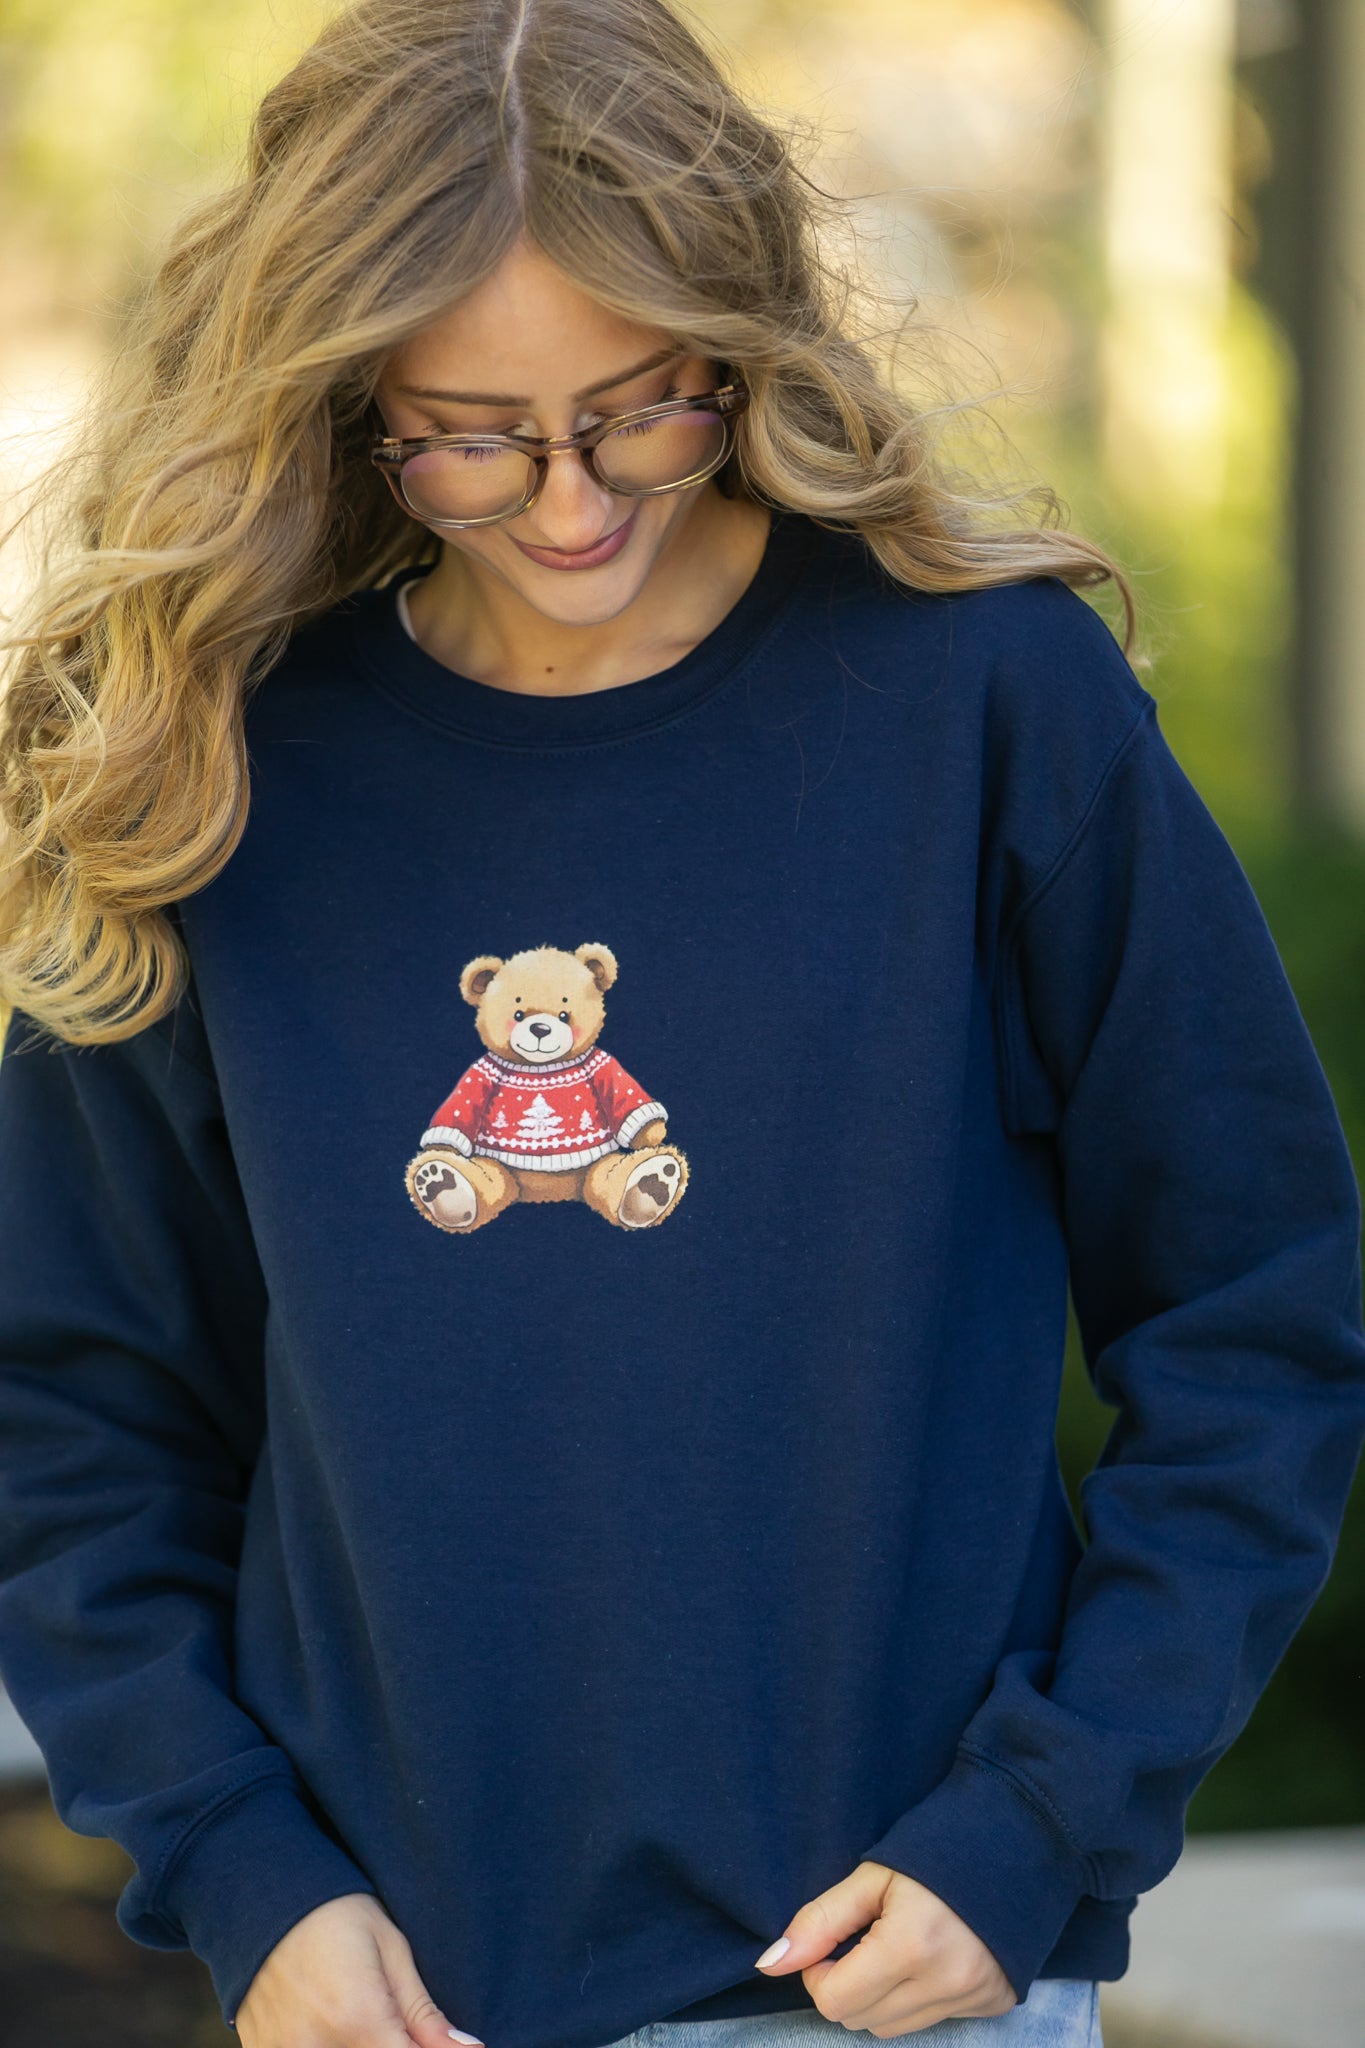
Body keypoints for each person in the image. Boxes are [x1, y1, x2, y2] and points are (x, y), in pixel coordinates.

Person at [0, 3, 1362, 2047]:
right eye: (470, 433)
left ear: (741, 346)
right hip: (388, 2000)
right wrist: (241, 1870)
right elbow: (76, 1414)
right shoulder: (206, 777)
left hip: (889, 1987)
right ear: (344, 403)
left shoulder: (983, 711)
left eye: (639, 413)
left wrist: (1044, 1817)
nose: (567, 505)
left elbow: (1251, 1311)